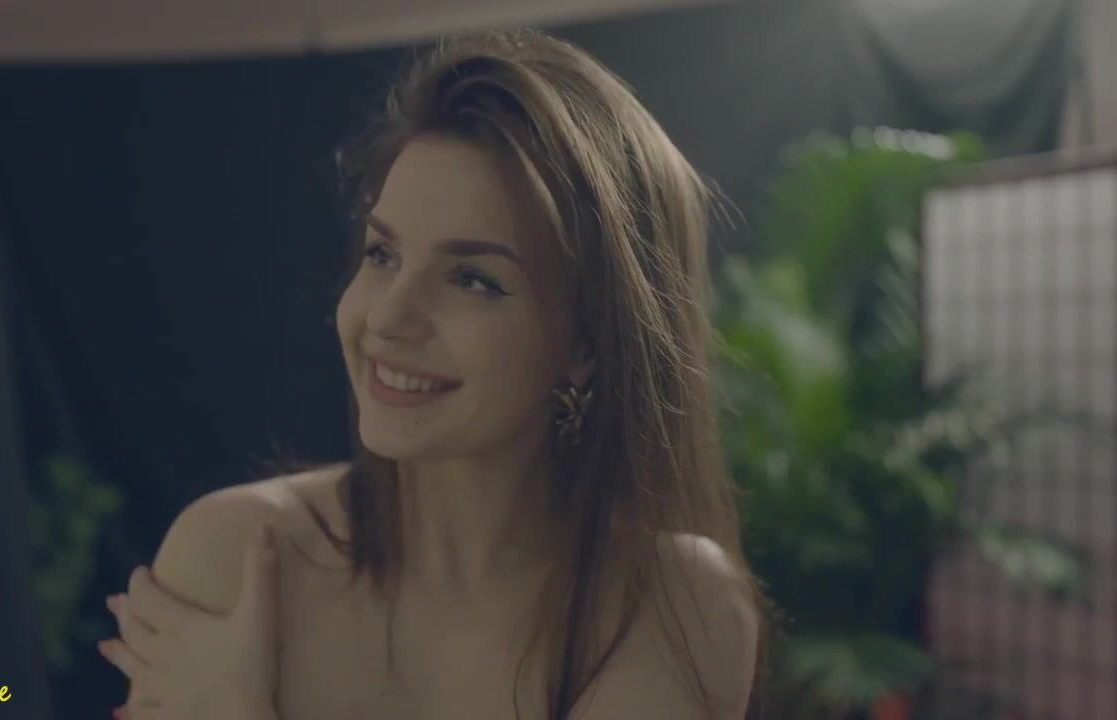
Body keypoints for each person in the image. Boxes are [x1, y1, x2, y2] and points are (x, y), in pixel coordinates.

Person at [98, 27, 767, 720]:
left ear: (589, 342)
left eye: (472, 279)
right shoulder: (232, 555)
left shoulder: (672, 602)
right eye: (382, 255)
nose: (388, 318)